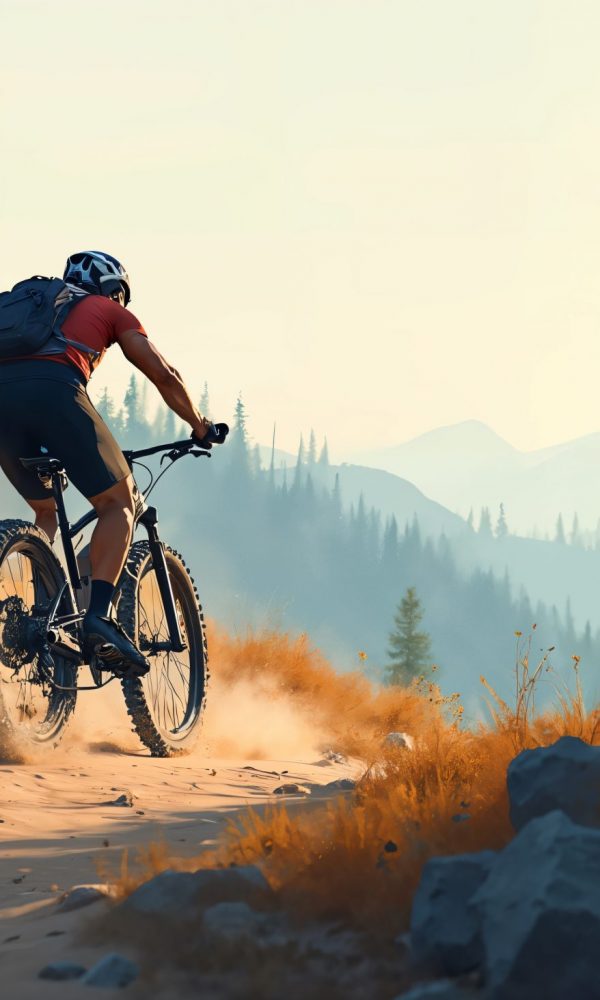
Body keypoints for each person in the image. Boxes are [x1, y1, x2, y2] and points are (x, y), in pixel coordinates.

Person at [0, 250, 215, 675]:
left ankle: (42, 616)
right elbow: (163, 374)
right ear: (113, 289)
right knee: (119, 504)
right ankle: (98, 617)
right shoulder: (108, 310)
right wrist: (199, 425)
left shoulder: (33, 307)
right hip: (56, 393)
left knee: (46, 509)